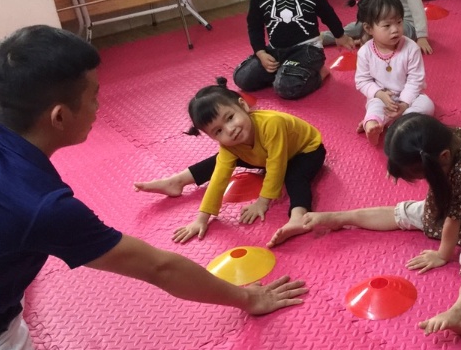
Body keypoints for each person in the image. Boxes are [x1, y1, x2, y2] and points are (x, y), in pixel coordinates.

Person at [0, 25, 308, 350]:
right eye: (93, 96)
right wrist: (248, 297)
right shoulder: (42, 206)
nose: (100, 105)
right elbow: (160, 268)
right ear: (59, 116)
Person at [302, 114, 461, 337]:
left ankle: (460, 312)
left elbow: (453, 221)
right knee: (405, 212)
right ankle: (340, 218)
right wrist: (399, 167)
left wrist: (442, 255)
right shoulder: (441, 140)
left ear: (443, 157)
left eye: (420, 175)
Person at [135, 79, 327, 248]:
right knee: (220, 160)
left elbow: (277, 165)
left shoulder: (272, 124)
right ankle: (177, 181)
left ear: (243, 106)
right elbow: (219, 178)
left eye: (230, 118)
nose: (230, 130)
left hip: (306, 151)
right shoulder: (230, 143)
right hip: (263, 156)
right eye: (218, 131)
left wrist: (263, 201)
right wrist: (201, 219)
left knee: (294, 175)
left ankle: (298, 216)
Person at [353, 0, 435, 144]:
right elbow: (362, 81)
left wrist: (404, 103)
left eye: (399, 22)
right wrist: (380, 94)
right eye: (387, 25)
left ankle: (397, 123)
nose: (395, 29)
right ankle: (372, 124)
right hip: (383, 98)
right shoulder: (365, 52)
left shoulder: (411, 48)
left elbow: (415, 80)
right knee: (374, 106)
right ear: (369, 28)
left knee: (427, 106)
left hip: (410, 97)